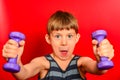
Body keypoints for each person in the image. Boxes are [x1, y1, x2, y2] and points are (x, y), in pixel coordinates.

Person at [2, 10, 114, 80]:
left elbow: (99, 69)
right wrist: (16, 61)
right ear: (48, 39)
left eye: (69, 36)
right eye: (57, 36)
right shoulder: (43, 62)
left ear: (77, 38)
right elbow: (23, 74)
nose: (64, 42)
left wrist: (102, 58)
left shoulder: (81, 63)